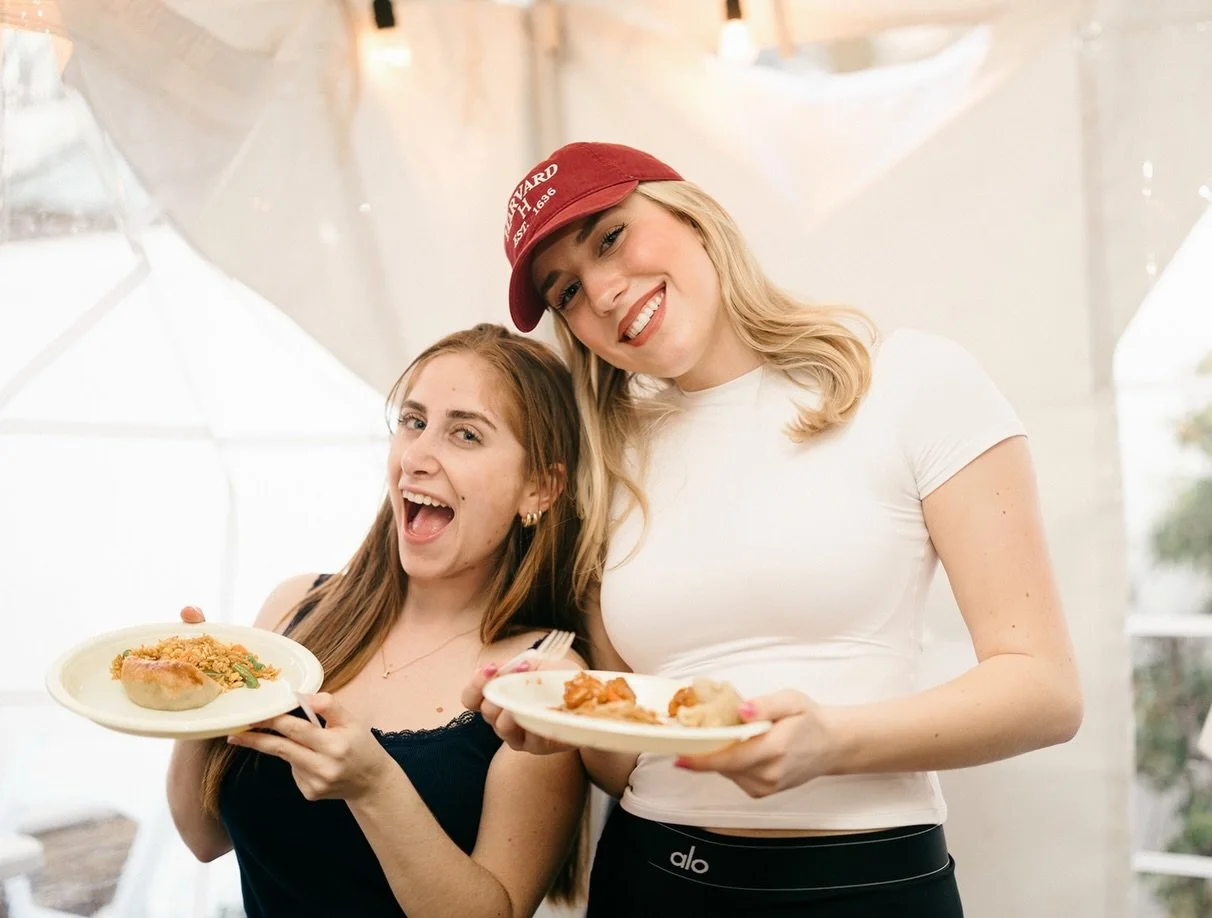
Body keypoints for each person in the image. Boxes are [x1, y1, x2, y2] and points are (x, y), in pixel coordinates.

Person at [465, 142, 1084, 916]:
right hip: (653, 877)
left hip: (867, 884)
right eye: (569, 292)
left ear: (691, 211)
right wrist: (566, 709)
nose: (606, 292)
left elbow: (1046, 691)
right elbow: (629, 759)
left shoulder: (912, 381)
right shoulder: (607, 463)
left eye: (611, 237)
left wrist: (836, 741)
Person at [167, 324, 589, 918]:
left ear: (541, 489)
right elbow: (203, 837)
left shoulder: (545, 680)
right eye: (413, 422)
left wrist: (374, 786)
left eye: (465, 434)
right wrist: (200, 695)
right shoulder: (296, 611)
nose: (416, 456)